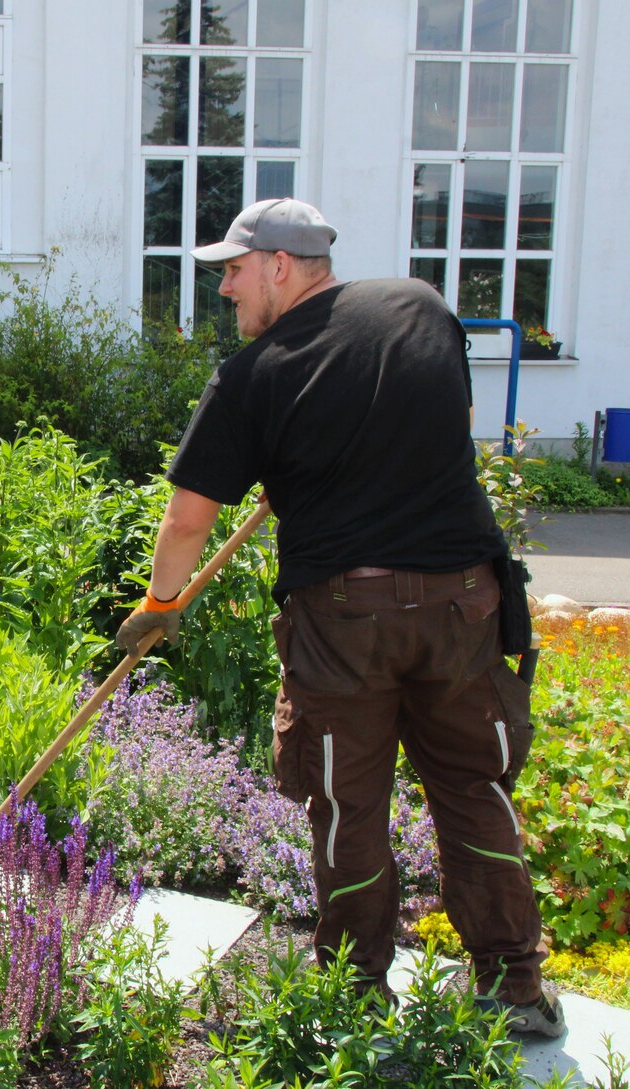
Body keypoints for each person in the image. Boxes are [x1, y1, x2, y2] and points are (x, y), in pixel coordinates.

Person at [116, 198, 562, 1037]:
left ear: (281, 265)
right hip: (463, 603)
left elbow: (185, 522)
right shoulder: (422, 309)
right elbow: (445, 426)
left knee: (345, 803)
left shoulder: (256, 374)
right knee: (473, 790)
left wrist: (161, 605)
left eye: (234, 272)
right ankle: (515, 987)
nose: (226, 292)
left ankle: (356, 999)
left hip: (345, 615)